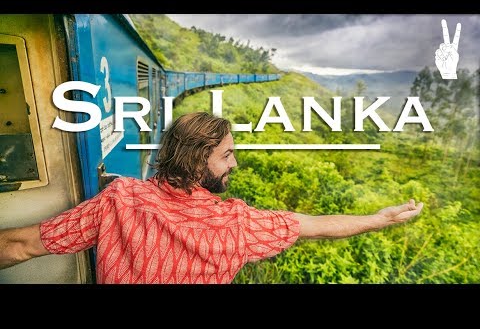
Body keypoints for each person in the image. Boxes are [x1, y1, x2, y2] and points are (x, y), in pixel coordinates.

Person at [0, 112, 423, 284]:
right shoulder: (236, 225)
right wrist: (380, 218)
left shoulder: (119, 199)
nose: (234, 164)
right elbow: (313, 226)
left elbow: (18, 246)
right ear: (197, 161)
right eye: (227, 155)